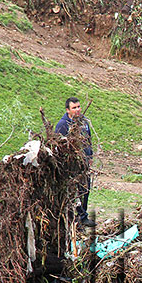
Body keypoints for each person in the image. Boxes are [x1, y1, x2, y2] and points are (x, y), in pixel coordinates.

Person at [55, 97, 95, 227]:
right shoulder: (63, 124)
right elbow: (58, 145)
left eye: (78, 107)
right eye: (74, 108)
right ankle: (74, 220)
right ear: (68, 110)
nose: (77, 110)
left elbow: (88, 139)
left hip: (84, 162)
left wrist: (90, 157)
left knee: (85, 190)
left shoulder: (83, 121)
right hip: (71, 165)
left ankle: (83, 217)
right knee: (74, 192)